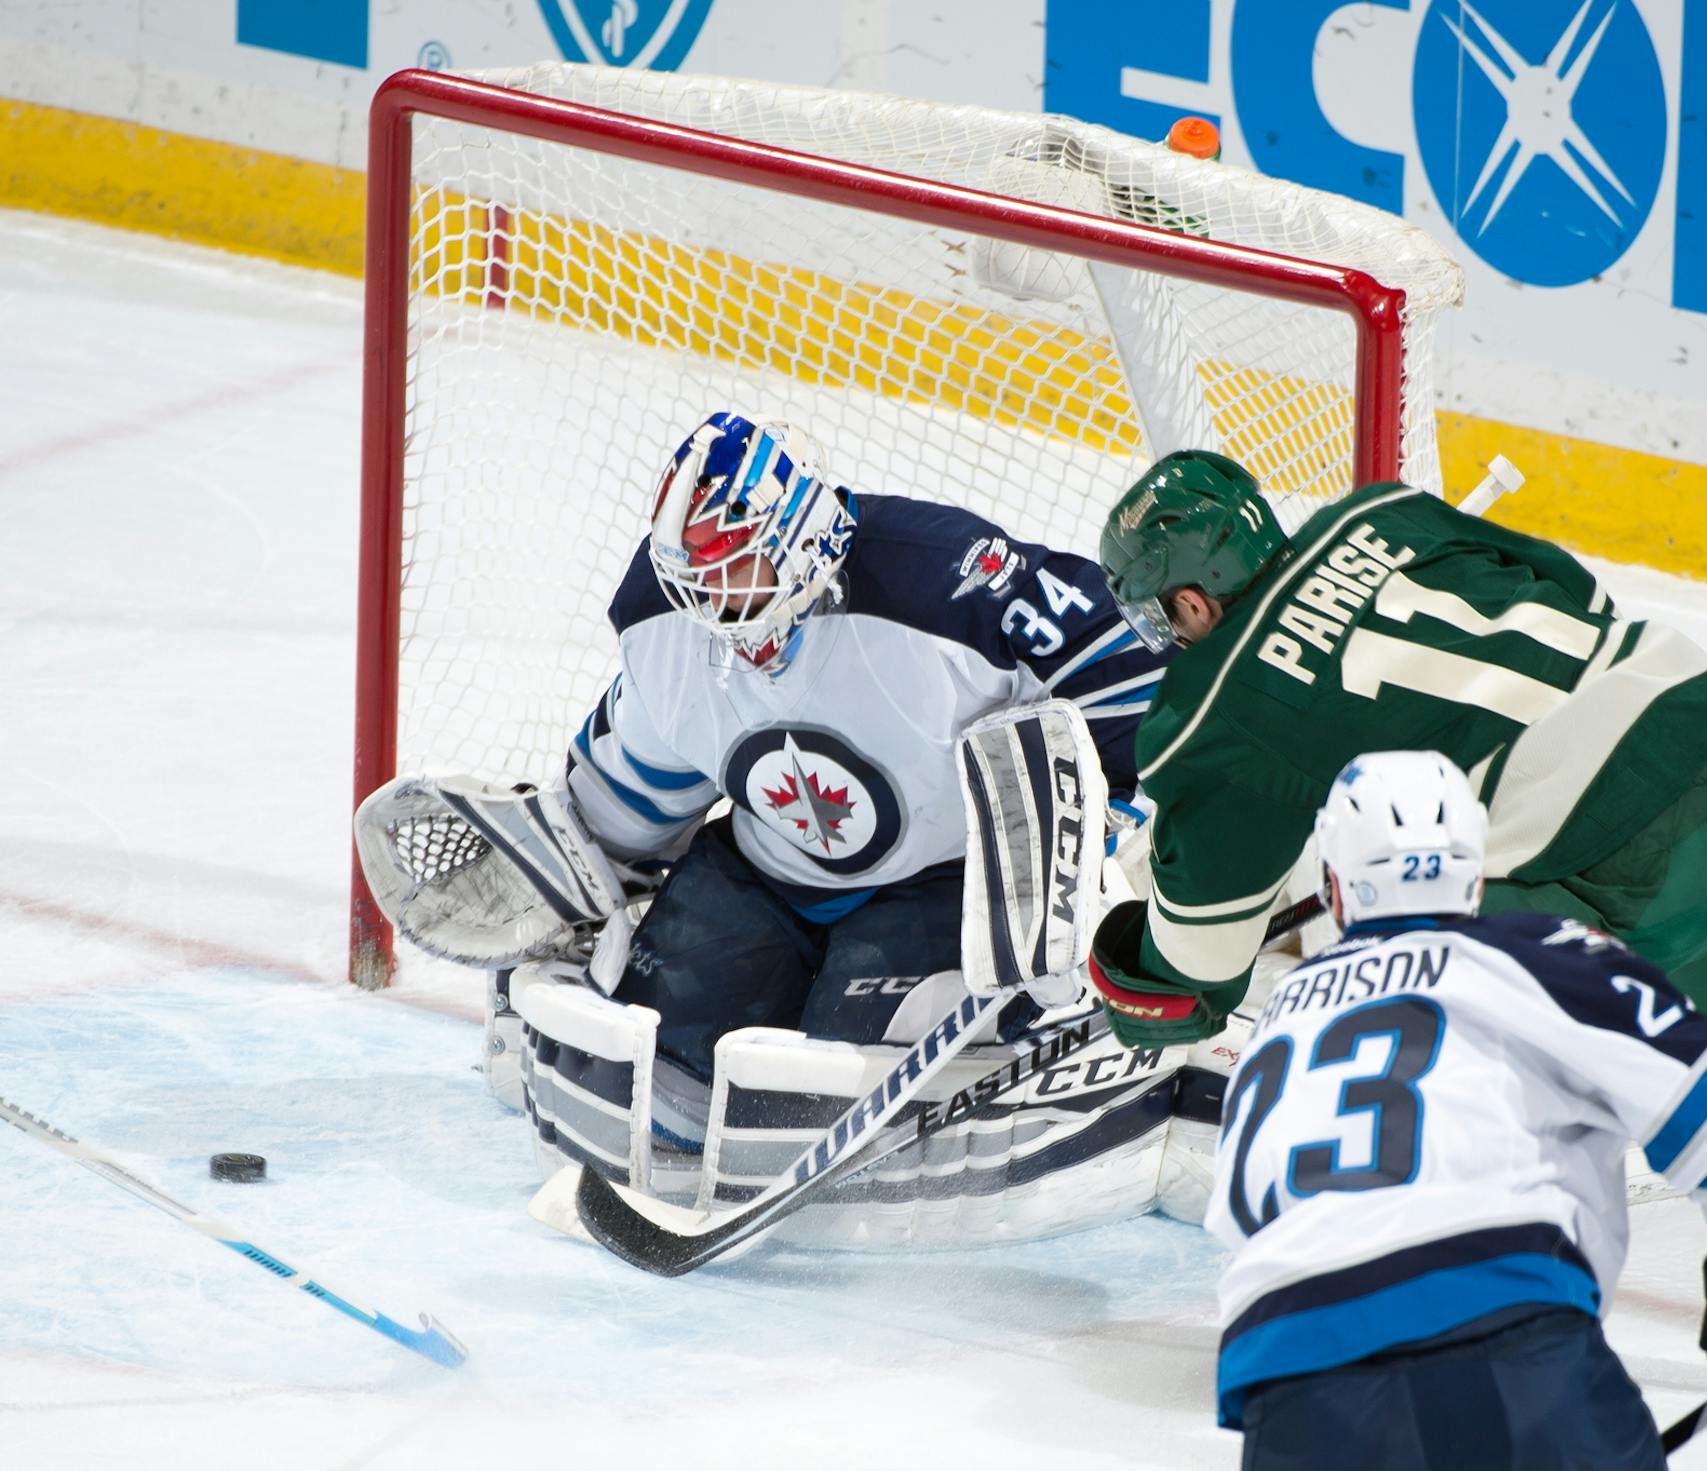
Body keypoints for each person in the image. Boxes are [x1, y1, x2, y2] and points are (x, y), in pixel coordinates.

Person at [1086, 450, 1707, 1390]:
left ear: (1190, 601)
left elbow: (1199, 963)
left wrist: (1135, 973)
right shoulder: (1379, 514)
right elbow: (1568, 586)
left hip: (1620, 868)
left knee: (1382, 996)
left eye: (1154, 614)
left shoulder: (1208, 713)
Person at [400, 410, 1183, 1240]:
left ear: (802, 541)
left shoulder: (944, 583)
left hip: (945, 880)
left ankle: (1059, 1010)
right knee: (658, 1044)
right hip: (764, 870)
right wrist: (571, 868)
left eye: (732, 568)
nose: (707, 599)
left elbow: (1136, 666)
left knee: (834, 1072)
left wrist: (1108, 807)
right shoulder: (668, 627)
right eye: (690, 575)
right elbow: (634, 784)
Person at [1206, 750, 1707, 1468]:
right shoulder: (1533, 954)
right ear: (1476, 865)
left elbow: (1240, 1221)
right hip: (1501, 1346)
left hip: (1290, 1382)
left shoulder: (1280, 1018)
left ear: (1334, 883)